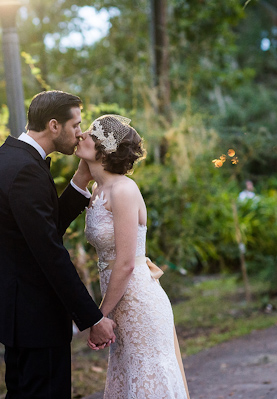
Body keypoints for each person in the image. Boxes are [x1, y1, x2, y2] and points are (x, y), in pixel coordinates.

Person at [0, 91, 116, 399]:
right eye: (75, 125)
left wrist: (79, 182)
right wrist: (91, 318)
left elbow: (42, 230)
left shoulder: (3, 159)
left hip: (17, 317)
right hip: (36, 319)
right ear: (54, 126)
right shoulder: (27, 170)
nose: (80, 133)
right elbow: (50, 252)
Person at [76, 115, 190, 398]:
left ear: (105, 148)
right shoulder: (96, 190)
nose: (81, 136)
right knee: (127, 377)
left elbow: (126, 264)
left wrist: (98, 317)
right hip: (118, 303)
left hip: (139, 302)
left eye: (90, 133)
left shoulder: (124, 190)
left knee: (146, 377)